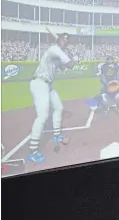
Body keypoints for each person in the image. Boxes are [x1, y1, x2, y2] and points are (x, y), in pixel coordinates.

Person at [28, 33, 79, 163]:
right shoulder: (54, 49)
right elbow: (71, 64)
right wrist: (75, 59)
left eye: (66, 41)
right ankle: (33, 151)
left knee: (58, 107)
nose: (64, 42)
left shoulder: (58, 54)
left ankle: (56, 135)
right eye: (62, 39)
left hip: (48, 85)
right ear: (58, 40)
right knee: (43, 115)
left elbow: (65, 67)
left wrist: (71, 59)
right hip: (39, 83)